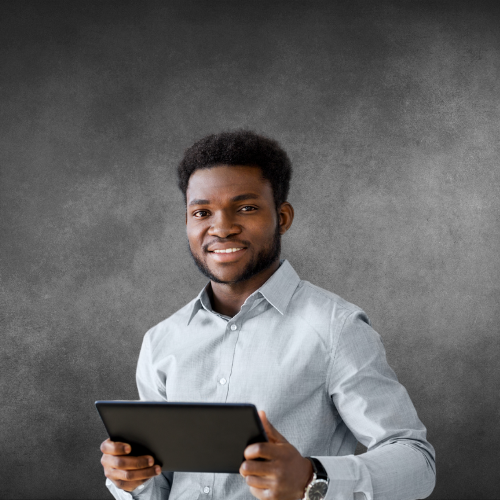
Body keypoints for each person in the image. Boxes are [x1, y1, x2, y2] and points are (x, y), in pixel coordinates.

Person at [100, 130, 436, 500]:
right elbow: (159, 489)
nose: (222, 227)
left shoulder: (335, 328)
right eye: (202, 212)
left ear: (283, 217)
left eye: (246, 208)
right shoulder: (161, 340)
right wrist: (130, 481)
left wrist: (313, 477)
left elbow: (417, 464)